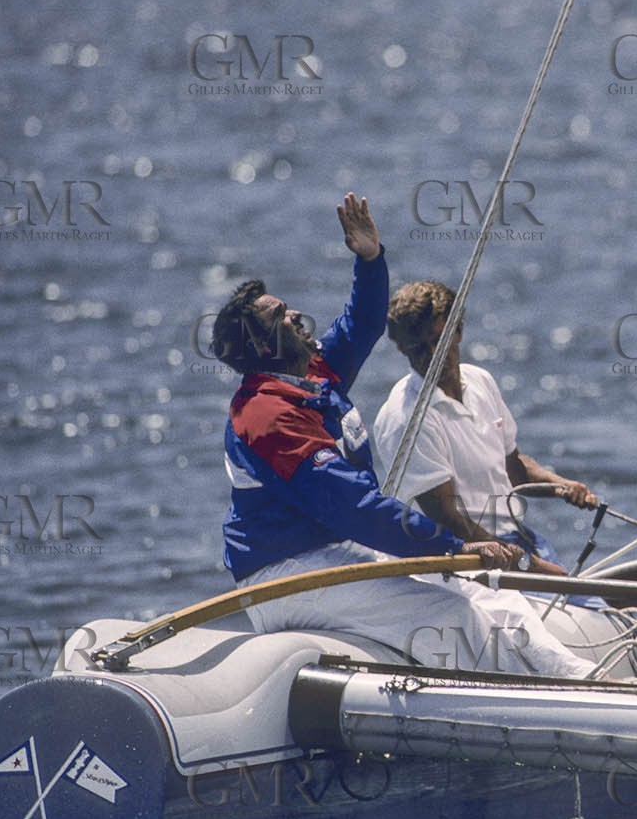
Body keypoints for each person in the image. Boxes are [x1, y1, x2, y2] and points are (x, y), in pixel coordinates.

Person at [209, 193, 594, 678]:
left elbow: (361, 325)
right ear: (265, 347)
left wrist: (369, 258)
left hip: (336, 549)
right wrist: (452, 547)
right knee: (448, 615)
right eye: (279, 316)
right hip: (287, 573)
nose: (296, 315)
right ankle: (517, 705)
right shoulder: (267, 417)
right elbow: (355, 508)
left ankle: (577, 679)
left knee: (479, 588)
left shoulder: (311, 374)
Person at [371, 280, 597, 579]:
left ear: (458, 331)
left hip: (517, 539)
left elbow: (512, 467)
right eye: (418, 348)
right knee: (582, 597)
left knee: (606, 606)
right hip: (465, 560)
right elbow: (447, 519)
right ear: (401, 348)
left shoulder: (480, 381)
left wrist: (561, 486)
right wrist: (532, 568)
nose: (432, 355)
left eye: (439, 340)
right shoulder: (405, 419)